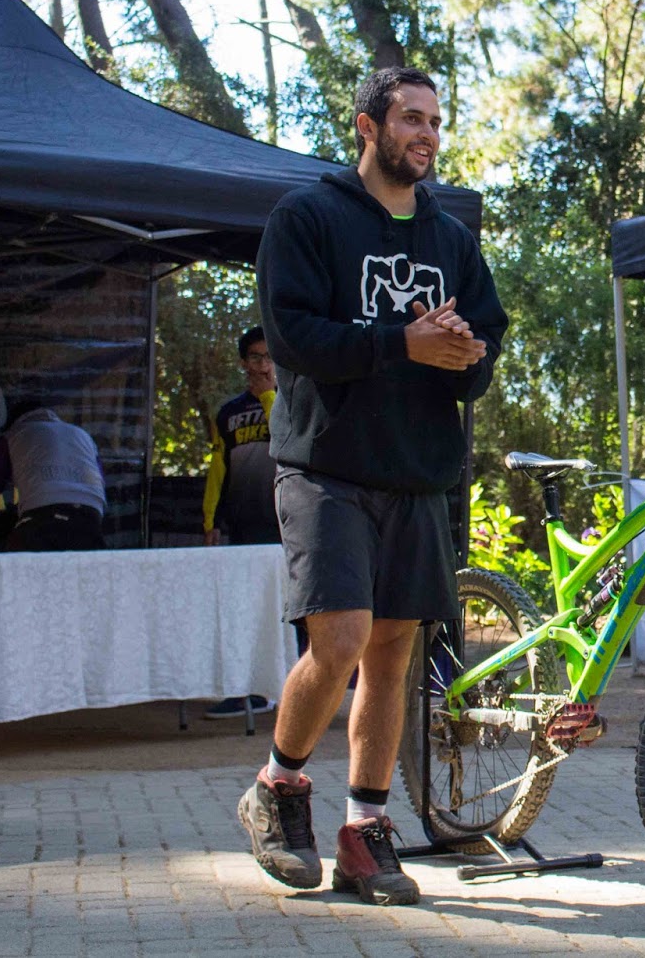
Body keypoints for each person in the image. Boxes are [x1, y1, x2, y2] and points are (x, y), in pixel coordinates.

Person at [239, 66, 507, 907]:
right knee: (342, 640)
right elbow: (293, 336)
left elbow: (487, 339)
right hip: (326, 467)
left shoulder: (450, 237)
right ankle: (278, 786)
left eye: (435, 121)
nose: (426, 134)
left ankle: (365, 829)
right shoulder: (308, 217)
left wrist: (467, 358)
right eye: (411, 119)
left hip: (418, 472)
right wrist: (402, 343)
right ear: (368, 126)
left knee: (393, 654)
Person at [200, 326, 281, 721]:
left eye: (269, 357)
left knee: (287, 611)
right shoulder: (229, 412)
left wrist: (268, 396)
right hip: (243, 526)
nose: (262, 365)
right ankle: (245, 691)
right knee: (242, 612)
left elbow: (287, 439)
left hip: (287, 526)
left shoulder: (293, 400)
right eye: (255, 357)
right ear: (243, 362)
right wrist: (210, 519)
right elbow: (218, 468)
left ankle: (288, 688)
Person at [0, 401, 106, 551]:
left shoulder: (13, 436)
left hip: (41, 519)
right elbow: (99, 481)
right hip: (90, 517)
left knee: (13, 561)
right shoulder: (83, 435)